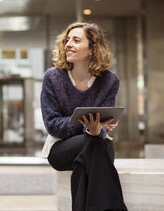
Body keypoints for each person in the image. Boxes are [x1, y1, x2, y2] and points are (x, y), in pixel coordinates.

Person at [40, 22, 127, 211]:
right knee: (98, 145)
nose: (68, 44)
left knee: (88, 158)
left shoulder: (109, 80)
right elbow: (53, 124)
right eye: (67, 40)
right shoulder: (52, 78)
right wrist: (89, 127)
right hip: (60, 148)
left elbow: (105, 121)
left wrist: (97, 129)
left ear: (92, 48)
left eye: (76, 40)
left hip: (95, 142)